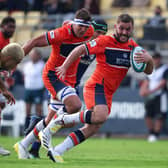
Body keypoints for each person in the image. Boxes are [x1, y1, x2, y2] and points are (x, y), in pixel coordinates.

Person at [39, 14, 154, 163]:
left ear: (132, 29)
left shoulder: (133, 48)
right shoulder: (104, 41)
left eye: (128, 29)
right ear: (115, 28)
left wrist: (149, 60)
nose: (125, 32)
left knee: (93, 127)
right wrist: (65, 67)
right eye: (122, 28)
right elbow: (80, 49)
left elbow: (148, 71)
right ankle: (62, 119)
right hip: (96, 86)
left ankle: (57, 151)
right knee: (100, 116)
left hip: (108, 93)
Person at [14, 8, 94, 160]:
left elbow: (76, 25)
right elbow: (34, 41)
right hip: (53, 75)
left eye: (85, 27)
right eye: (80, 26)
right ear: (74, 24)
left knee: (51, 119)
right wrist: (15, 61)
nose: (83, 30)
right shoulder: (61, 33)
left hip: (68, 79)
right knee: (75, 105)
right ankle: (47, 133)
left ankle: (24, 144)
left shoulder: (89, 31)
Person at [27, 18, 108, 159]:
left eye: (103, 33)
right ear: (91, 30)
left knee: (59, 121)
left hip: (73, 85)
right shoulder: (82, 41)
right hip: (60, 81)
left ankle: (37, 127)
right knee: (55, 119)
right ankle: (34, 147)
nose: (100, 36)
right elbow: (67, 24)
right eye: (98, 32)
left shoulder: (97, 46)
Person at [139, 52, 168, 142]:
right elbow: (147, 81)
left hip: (161, 95)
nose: (155, 60)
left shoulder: (165, 69)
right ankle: (151, 133)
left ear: (160, 59)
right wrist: (142, 90)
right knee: (148, 115)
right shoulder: (151, 69)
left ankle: (156, 134)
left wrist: (150, 91)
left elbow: (163, 83)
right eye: (154, 58)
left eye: (157, 58)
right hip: (150, 96)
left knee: (159, 116)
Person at [0, 16, 16, 156]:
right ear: (2, 26)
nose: (12, 30)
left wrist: (7, 74)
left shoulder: (7, 42)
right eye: (10, 27)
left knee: (1, 105)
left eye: (14, 27)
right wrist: (4, 89)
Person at [23, 49, 45, 131]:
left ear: (38, 56)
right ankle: (26, 129)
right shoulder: (27, 65)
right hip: (28, 89)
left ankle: (39, 129)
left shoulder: (42, 65)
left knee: (39, 110)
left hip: (38, 90)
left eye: (34, 55)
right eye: (31, 55)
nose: (32, 56)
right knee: (27, 110)